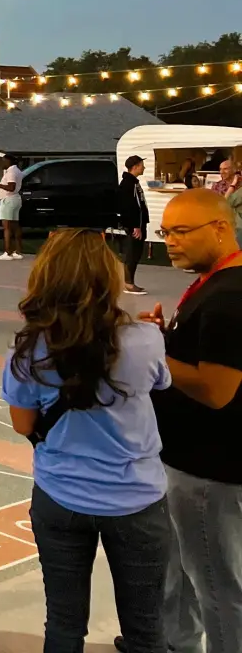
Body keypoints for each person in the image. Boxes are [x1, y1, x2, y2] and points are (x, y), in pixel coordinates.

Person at [1, 229, 171, 653]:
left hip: (61, 496)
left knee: (63, 621)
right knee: (146, 628)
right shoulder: (146, 340)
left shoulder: (27, 350)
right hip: (138, 499)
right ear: (106, 278)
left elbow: (24, 425)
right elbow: (161, 383)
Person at [135, 190, 242, 653]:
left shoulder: (229, 296)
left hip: (208, 470)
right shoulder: (212, 283)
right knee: (179, 569)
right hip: (187, 460)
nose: (170, 242)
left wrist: (153, 354)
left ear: (220, 229)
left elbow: (217, 390)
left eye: (181, 232)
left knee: (217, 586)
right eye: (165, 232)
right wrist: (167, 338)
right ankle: (176, 643)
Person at [119, 155, 151, 295]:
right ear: (135, 166)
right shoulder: (128, 184)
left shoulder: (133, 182)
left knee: (136, 253)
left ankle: (130, 281)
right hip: (135, 225)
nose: (144, 167)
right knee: (132, 253)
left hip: (138, 224)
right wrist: (135, 226)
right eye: (142, 165)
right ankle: (128, 284)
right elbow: (131, 207)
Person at [0, 155, 24, 262]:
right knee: (15, 225)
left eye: (3, 161)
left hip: (8, 200)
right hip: (15, 199)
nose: (2, 163)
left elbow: (11, 187)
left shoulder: (11, 172)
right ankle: (18, 251)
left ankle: (7, 252)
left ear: (8, 161)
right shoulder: (17, 170)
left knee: (6, 227)